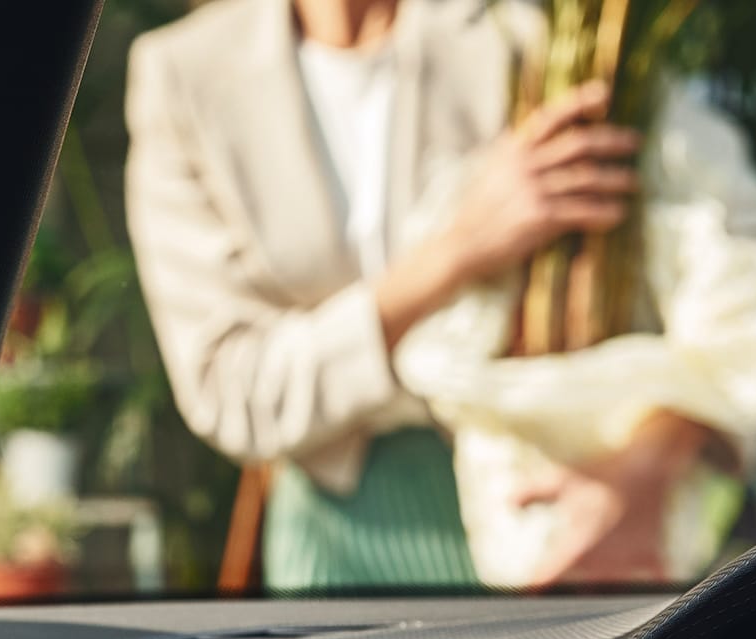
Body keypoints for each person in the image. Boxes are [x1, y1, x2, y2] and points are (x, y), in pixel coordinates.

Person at [125, 0, 719, 590]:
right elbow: (229, 388)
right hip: (332, 548)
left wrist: (649, 464)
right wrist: (459, 248)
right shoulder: (183, 72)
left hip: (552, 522)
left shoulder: (540, 33)